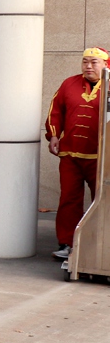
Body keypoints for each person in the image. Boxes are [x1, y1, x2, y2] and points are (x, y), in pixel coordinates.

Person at [46, 48, 107, 260]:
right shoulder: (69, 84)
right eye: (85, 62)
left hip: (101, 157)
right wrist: (54, 135)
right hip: (70, 154)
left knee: (101, 200)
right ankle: (67, 243)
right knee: (69, 199)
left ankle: (98, 244)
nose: (88, 66)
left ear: (106, 64)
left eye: (94, 62)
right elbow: (55, 111)